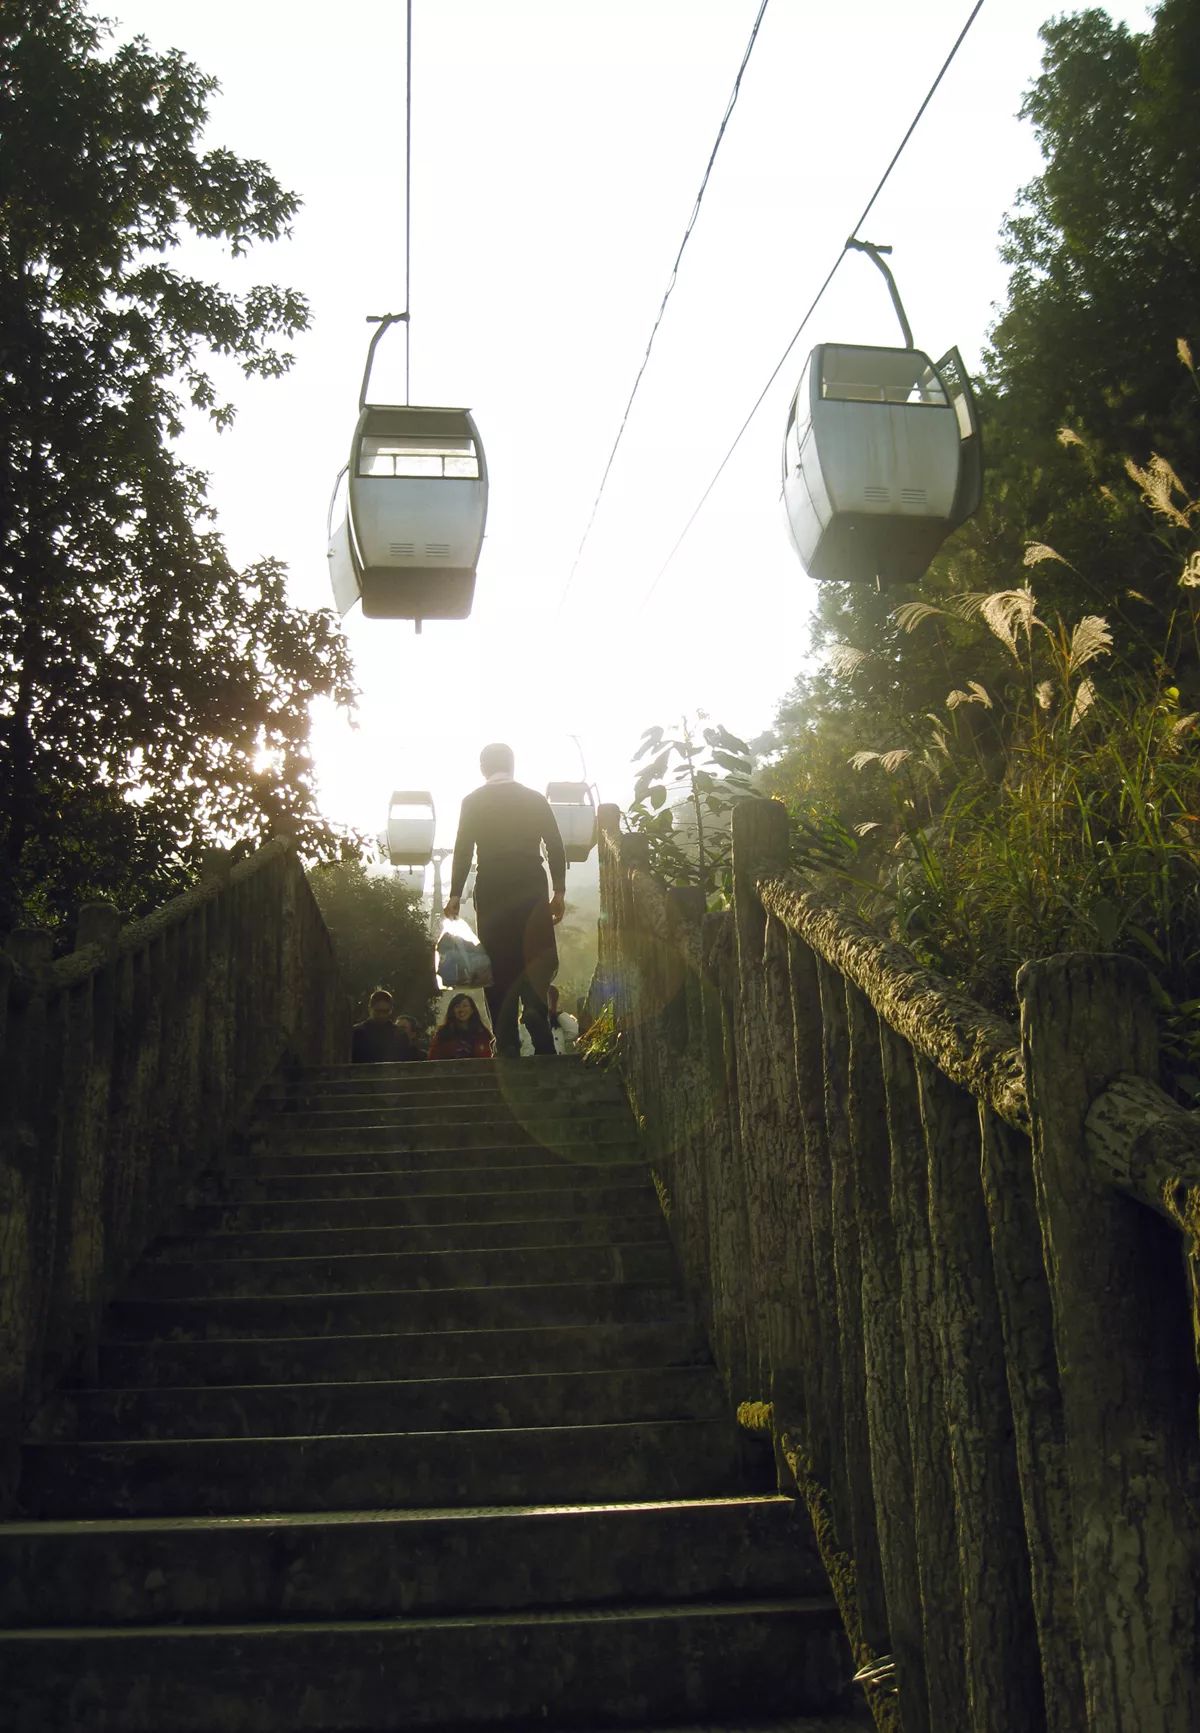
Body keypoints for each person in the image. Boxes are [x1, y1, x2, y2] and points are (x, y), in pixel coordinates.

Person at [444, 743, 566, 1059]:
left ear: (483, 768)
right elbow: (554, 844)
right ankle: (537, 1018)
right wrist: (559, 892)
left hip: (492, 887)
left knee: (497, 964)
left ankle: (507, 1040)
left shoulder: (472, 802)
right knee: (535, 954)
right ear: (512, 765)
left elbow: (462, 849)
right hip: (531, 887)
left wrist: (455, 894)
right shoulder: (534, 798)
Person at [351, 989, 425, 1063]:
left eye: (385, 1011)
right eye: (378, 1011)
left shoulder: (400, 1035)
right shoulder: (357, 1033)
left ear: (391, 1010)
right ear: (370, 1008)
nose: (381, 1015)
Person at [428, 992, 494, 1060]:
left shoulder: (481, 1032)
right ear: (452, 1011)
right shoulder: (443, 1033)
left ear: (472, 1010)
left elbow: (487, 1058)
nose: (461, 1010)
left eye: (465, 1006)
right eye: (457, 1006)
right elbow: (433, 1058)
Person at [547, 984, 579, 1055]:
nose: (549, 1003)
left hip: (558, 1063)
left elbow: (575, 1032)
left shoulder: (558, 1026)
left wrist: (558, 1014)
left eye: (552, 1000)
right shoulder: (526, 1024)